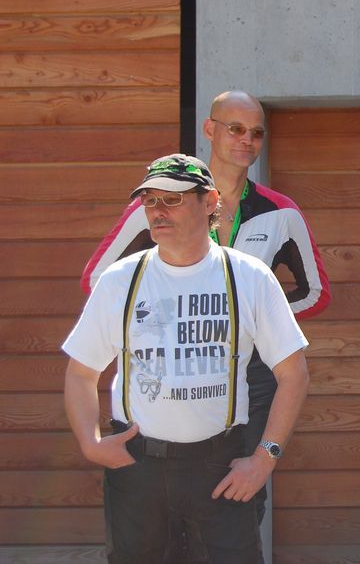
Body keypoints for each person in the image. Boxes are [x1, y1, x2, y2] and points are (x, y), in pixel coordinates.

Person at [80, 90, 330, 530]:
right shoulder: (158, 204)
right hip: (171, 369)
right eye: (235, 129)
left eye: (256, 133)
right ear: (210, 129)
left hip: (252, 373)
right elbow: (97, 279)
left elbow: (316, 293)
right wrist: (161, 319)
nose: (246, 140)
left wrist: (253, 321)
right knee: (160, 514)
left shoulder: (281, 212)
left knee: (241, 499)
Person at [63, 154, 310, 564]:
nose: (157, 211)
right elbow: (81, 372)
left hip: (220, 466)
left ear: (209, 202)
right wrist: (90, 443)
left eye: (172, 199)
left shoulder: (248, 276)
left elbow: (294, 373)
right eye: (150, 200)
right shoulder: (120, 280)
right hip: (138, 466)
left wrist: (264, 459)